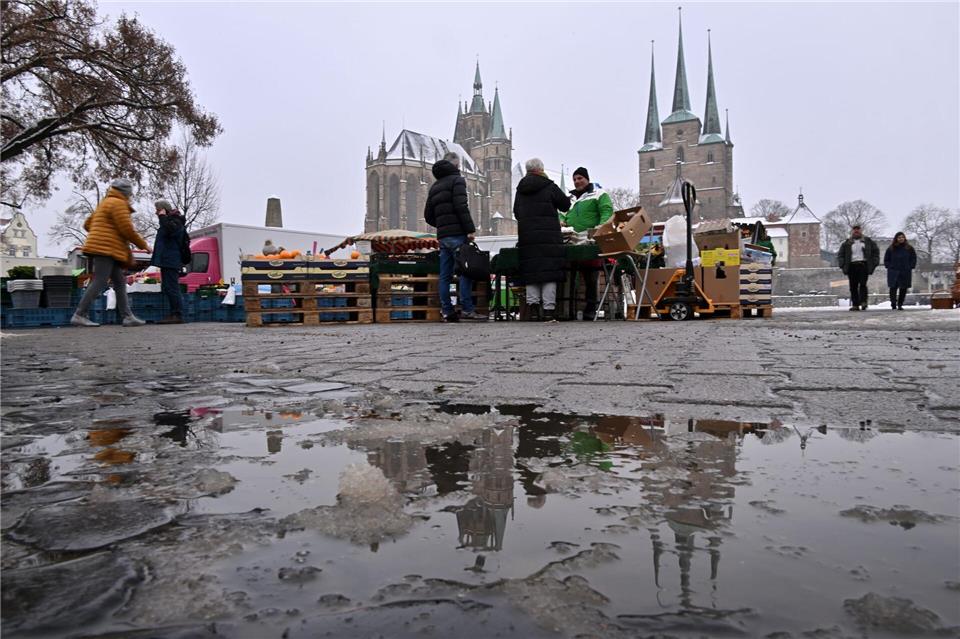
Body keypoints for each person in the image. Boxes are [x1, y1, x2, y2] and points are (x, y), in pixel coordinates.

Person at [71, 178, 150, 327]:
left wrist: (101, 232)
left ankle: (127, 316)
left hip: (105, 247)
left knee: (120, 281)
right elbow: (127, 229)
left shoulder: (105, 203)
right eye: (130, 194)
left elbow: (88, 224)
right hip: (105, 248)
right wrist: (144, 245)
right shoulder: (118, 203)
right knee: (100, 280)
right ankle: (79, 314)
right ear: (126, 193)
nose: (130, 197)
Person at [424, 152, 483, 322]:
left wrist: (442, 226)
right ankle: (467, 309)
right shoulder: (458, 181)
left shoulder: (434, 186)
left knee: (445, 275)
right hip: (458, 235)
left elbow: (428, 215)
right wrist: (470, 229)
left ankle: (447, 311)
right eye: (457, 165)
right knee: (466, 271)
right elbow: (461, 206)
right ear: (454, 166)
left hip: (443, 237)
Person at [514, 158, 571, 322]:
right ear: (540, 170)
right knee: (549, 273)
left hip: (527, 237)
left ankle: (532, 311)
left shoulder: (520, 189)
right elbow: (565, 205)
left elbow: (516, 213)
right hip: (549, 236)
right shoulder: (549, 185)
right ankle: (548, 311)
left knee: (531, 273)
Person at [560, 167, 613, 320]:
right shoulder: (569, 199)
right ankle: (569, 309)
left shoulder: (599, 194)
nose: (577, 182)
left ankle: (590, 308)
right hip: (570, 241)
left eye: (580, 178)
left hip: (589, 241)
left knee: (591, 275)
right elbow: (559, 213)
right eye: (575, 179)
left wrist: (599, 229)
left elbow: (606, 211)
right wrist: (560, 222)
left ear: (587, 179)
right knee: (570, 275)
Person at [151, 199, 186, 324]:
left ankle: (177, 314)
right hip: (167, 260)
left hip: (171, 260)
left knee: (172, 287)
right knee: (168, 287)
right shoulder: (170, 221)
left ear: (164, 209)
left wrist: (162, 216)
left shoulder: (175, 221)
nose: (156, 213)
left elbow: (170, 230)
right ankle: (173, 313)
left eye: (158, 210)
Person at [837, 224, 880, 311]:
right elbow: (841, 255)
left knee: (863, 284)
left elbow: (875, 252)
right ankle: (855, 304)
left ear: (861, 230)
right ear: (852, 231)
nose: (856, 231)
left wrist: (874, 262)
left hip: (863, 265)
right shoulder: (847, 243)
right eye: (854, 229)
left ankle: (863, 302)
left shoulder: (868, 241)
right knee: (853, 286)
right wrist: (842, 264)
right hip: (851, 266)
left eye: (858, 229)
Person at [883, 232, 917, 311]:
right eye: (899, 237)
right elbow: (886, 260)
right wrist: (889, 266)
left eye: (902, 237)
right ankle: (893, 303)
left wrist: (910, 266)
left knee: (903, 288)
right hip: (893, 271)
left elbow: (913, 258)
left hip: (905, 271)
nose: (901, 239)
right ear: (896, 239)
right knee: (893, 287)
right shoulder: (891, 248)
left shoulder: (909, 248)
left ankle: (900, 304)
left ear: (904, 238)